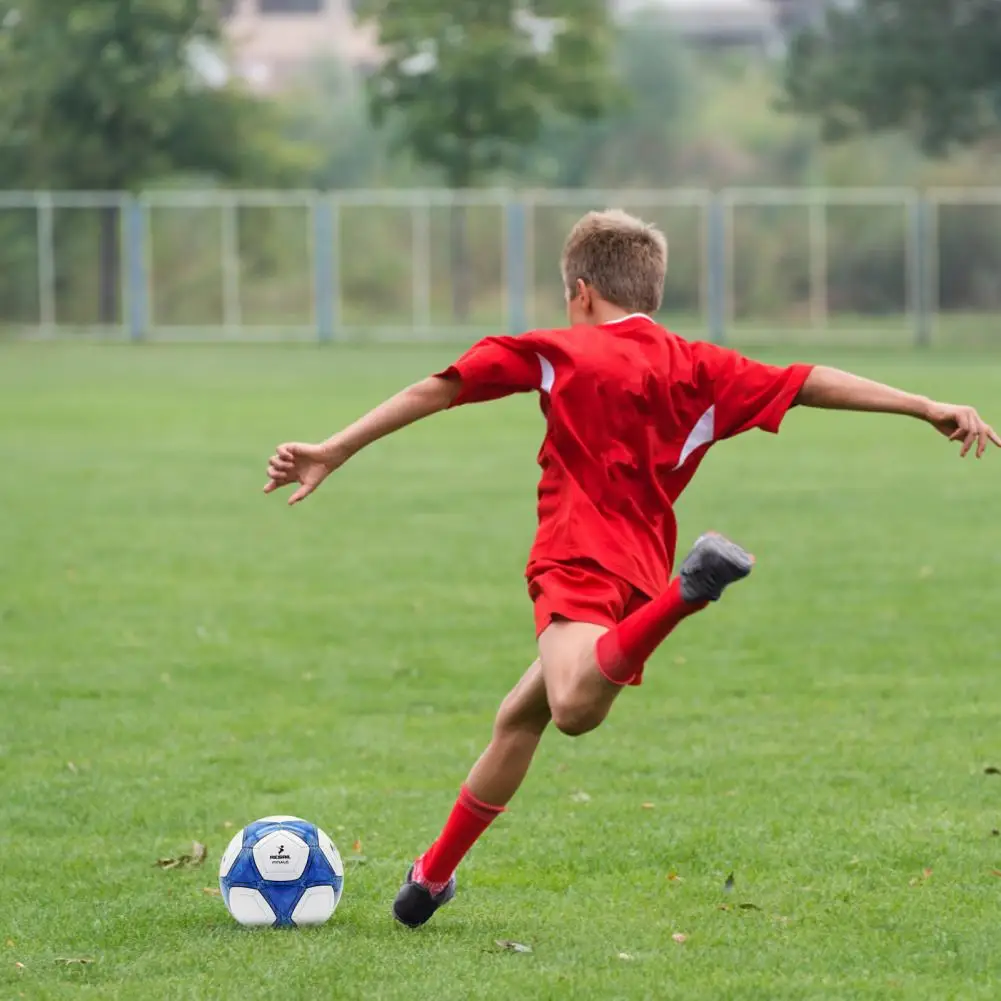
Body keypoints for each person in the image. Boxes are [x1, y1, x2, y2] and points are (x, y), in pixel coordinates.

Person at [263, 210, 998, 928]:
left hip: (577, 552)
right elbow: (807, 379)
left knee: (573, 708)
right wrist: (921, 403)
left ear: (580, 290)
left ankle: (691, 591)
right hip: (632, 570)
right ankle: (431, 875)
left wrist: (337, 446)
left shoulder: (559, 348)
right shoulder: (702, 365)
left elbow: (440, 386)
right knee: (518, 717)